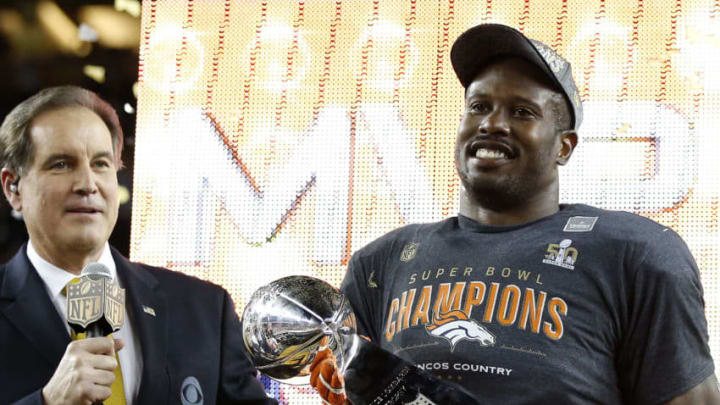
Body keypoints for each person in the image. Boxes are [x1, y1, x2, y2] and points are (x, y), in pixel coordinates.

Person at [310, 23, 719, 404]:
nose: (491, 124)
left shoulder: (635, 254)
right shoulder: (380, 263)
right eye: (478, 106)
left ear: (564, 146)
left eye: (522, 112)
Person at [0, 86, 276, 405]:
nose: (88, 184)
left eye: (101, 163)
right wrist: (47, 402)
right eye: (61, 164)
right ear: (13, 188)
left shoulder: (204, 309)